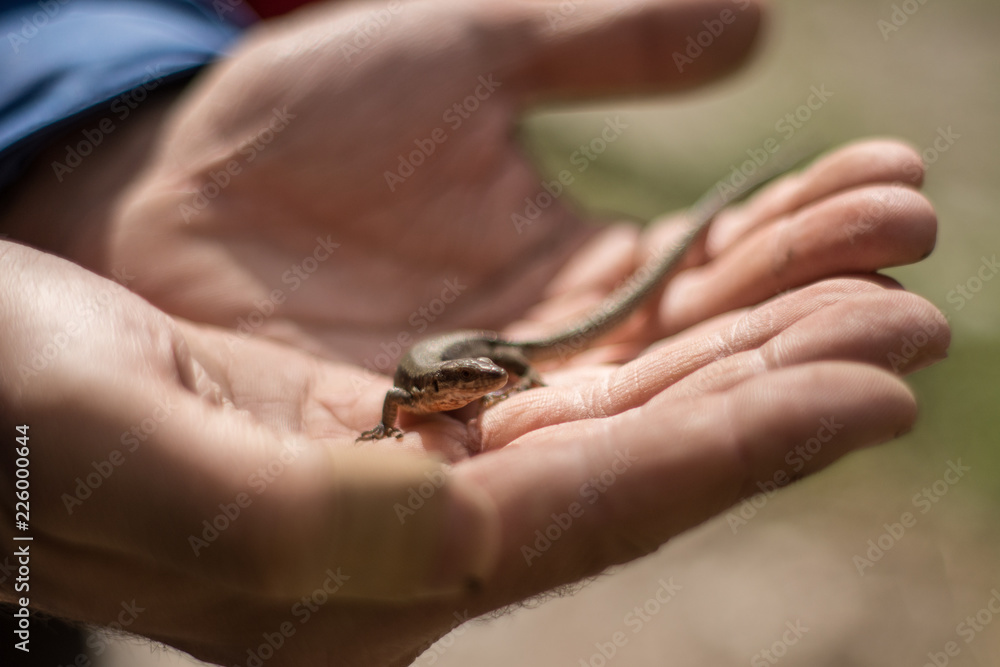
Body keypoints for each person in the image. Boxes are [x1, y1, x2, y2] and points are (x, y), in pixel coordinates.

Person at [0, 0, 948, 665]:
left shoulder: (480, 374)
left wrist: (512, 379)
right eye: (467, 391)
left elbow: (486, 371)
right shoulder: (415, 394)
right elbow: (403, 397)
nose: (469, 399)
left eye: (481, 387)